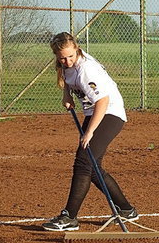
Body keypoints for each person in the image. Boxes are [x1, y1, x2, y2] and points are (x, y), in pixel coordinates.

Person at [42, 31, 138, 231]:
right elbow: (67, 77)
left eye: (70, 56)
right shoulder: (65, 64)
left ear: (76, 49)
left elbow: (103, 101)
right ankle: (126, 209)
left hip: (109, 113)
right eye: (62, 58)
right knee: (92, 167)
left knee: (83, 163)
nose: (67, 61)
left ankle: (70, 217)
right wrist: (66, 95)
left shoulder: (86, 70)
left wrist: (90, 132)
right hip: (95, 113)